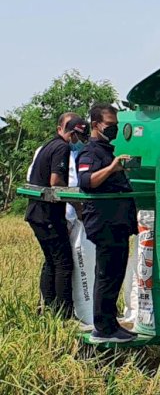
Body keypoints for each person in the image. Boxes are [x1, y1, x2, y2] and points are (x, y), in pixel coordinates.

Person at [77, 103, 138, 343]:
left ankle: (110, 323)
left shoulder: (106, 150)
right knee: (106, 274)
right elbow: (86, 181)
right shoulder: (91, 153)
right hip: (105, 223)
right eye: (110, 125)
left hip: (117, 223)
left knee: (114, 274)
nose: (114, 129)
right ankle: (103, 327)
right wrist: (112, 168)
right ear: (95, 125)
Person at [25, 112, 84, 317]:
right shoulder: (62, 147)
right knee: (64, 264)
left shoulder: (48, 145)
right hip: (48, 215)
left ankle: (47, 309)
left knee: (52, 261)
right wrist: (77, 207)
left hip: (37, 213)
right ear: (74, 134)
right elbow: (55, 182)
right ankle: (64, 314)